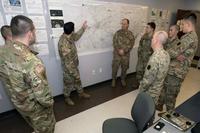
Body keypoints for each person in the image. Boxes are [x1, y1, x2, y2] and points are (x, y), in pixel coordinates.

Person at [0, 15, 56, 133]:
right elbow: (43, 97)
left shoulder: (2, 51)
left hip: (19, 104)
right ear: (30, 33)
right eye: (34, 31)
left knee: (34, 126)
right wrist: (50, 103)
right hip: (36, 109)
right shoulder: (31, 61)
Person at [157, 13, 198, 113]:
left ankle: (170, 116)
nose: (181, 27)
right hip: (173, 70)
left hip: (177, 72)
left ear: (188, 24)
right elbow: (176, 52)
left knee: (171, 95)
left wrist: (165, 51)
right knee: (164, 89)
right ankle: (159, 106)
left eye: (182, 24)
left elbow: (173, 51)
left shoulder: (189, 38)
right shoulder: (188, 36)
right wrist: (176, 54)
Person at [58, 21, 90, 106]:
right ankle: (67, 97)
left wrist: (83, 28)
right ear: (72, 30)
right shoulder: (64, 44)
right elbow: (68, 63)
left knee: (77, 81)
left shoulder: (69, 35)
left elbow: (76, 36)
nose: (74, 31)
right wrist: (74, 73)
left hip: (73, 65)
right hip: (68, 68)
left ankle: (80, 93)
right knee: (68, 83)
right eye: (74, 29)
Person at [139, 31, 170, 104]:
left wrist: (141, 90)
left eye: (153, 38)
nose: (151, 40)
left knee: (144, 113)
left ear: (156, 40)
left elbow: (147, 80)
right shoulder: (166, 54)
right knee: (150, 111)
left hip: (149, 94)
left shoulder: (155, 58)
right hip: (157, 91)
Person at [111, 18, 135, 87]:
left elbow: (132, 44)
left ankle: (123, 79)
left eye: (124, 24)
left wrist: (124, 50)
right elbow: (114, 42)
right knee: (115, 67)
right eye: (122, 24)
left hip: (125, 55)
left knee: (124, 68)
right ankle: (113, 79)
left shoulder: (130, 34)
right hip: (117, 54)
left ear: (128, 25)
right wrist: (118, 50)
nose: (122, 25)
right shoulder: (117, 33)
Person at [135, 22, 156, 87]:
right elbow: (140, 45)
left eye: (147, 27)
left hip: (149, 59)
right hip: (141, 57)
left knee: (147, 72)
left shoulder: (155, 38)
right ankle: (138, 82)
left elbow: (156, 49)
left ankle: (145, 85)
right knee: (139, 70)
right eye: (146, 27)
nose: (146, 29)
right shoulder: (144, 36)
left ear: (152, 29)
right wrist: (139, 53)